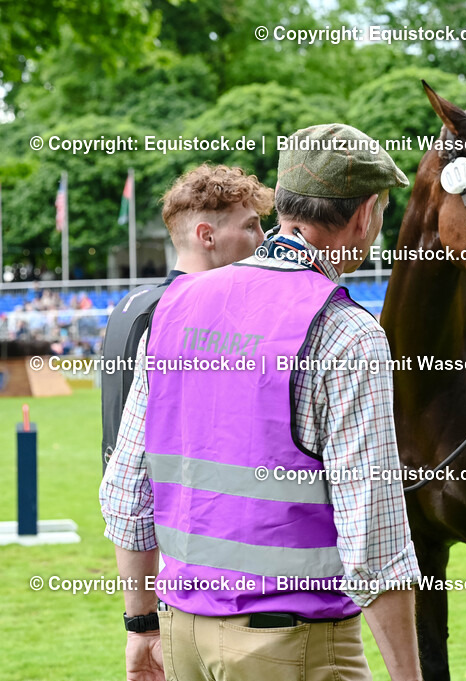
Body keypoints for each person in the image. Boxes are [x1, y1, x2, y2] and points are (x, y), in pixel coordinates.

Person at [100, 124, 423, 681]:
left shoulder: (174, 308)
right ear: (366, 212)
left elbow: (127, 493)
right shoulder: (348, 332)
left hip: (181, 638)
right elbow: (375, 536)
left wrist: (141, 626)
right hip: (294, 645)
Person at [100, 164, 272, 472]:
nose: (263, 239)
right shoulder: (194, 316)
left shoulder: (135, 304)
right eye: (250, 226)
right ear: (206, 235)